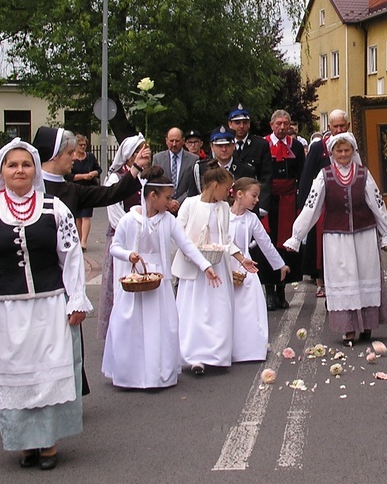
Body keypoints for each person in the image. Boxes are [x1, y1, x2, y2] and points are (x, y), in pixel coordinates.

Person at [0, 139, 91, 470]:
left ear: (35, 170)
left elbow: (70, 257)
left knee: (48, 374)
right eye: (12, 165)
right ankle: (22, 443)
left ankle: (47, 443)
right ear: (1, 171)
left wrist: (76, 297)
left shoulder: (53, 209)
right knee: (14, 374)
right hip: (5, 309)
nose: (20, 170)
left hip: (49, 306)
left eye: (26, 164)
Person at [32, 125, 151, 396]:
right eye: (70, 153)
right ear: (54, 155)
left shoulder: (71, 190)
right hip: (33, 278)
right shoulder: (30, 189)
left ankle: (64, 392)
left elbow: (110, 195)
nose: (75, 158)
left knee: (63, 340)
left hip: (61, 279)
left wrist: (134, 170)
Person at [102, 166, 215, 388]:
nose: (170, 202)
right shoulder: (129, 220)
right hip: (135, 279)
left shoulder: (167, 221)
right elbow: (115, 248)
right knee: (132, 326)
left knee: (158, 327)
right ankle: (131, 375)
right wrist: (129, 255)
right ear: (152, 196)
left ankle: (157, 373)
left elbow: (186, 245)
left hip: (159, 280)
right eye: (167, 197)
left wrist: (205, 265)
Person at [285, 132, 387, 346]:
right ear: (332, 153)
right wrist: (296, 237)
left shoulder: (363, 174)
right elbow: (311, 207)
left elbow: (377, 203)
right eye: (339, 150)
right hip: (336, 237)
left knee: (365, 274)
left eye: (347, 150)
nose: (343, 154)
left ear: (353, 152)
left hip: (364, 233)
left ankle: (368, 324)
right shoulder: (324, 175)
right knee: (343, 278)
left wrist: (386, 233)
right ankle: (348, 328)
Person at [172, 163, 257, 373]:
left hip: (218, 264)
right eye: (226, 188)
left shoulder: (223, 208)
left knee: (218, 309)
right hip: (195, 267)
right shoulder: (190, 204)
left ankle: (217, 354)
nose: (228, 193)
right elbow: (179, 234)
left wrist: (241, 257)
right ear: (214, 185)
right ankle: (193, 356)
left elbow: (226, 237)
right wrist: (196, 256)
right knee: (194, 310)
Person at [229, 177, 288, 362]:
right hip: (226, 264)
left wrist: (279, 264)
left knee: (250, 306)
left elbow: (265, 243)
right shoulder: (223, 215)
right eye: (253, 196)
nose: (256, 200)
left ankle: (251, 347)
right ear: (239, 194)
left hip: (246, 267)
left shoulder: (251, 218)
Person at [96, 134, 146, 339]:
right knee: (119, 283)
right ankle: (117, 330)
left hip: (140, 237)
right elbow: (114, 213)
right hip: (122, 238)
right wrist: (132, 228)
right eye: (140, 151)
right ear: (130, 156)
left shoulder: (143, 178)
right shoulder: (115, 179)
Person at [299, 109, 349, 298]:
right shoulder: (319, 147)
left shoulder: (353, 146)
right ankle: (321, 282)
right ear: (329, 127)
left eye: (341, 126)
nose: (338, 129)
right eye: (335, 126)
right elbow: (306, 176)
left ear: (348, 126)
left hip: (345, 203)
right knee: (320, 243)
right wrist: (303, 204)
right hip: (323, 203)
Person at [262, 109, 304, 310]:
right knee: (268, 244)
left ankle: (281, 291)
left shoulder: (295, 145)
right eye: (278, 123)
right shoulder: (263, 145)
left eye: (285, 124)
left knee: (286, 246)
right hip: (268, 202)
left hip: (289, 200)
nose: (281, 127)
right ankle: (269, 291)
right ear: (271, 125)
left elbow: (302, 175)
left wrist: (300, 202)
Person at [229, 103, 273, 216]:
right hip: (229, 202)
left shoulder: (260, 145)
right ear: (230, 124)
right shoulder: (225, 146)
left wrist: (263, 204)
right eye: (237, 123)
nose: (241, 126)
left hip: (252, 203)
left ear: (249, 124)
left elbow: (266, 176)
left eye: (245, 122)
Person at [189, 126, 256, 196]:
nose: (224, 149)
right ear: (212, 146)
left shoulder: (246, 170)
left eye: (227, 145)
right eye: (219, 146)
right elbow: (193, 197)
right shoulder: (201, 168)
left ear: (234, 146)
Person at [66, 134, 102, 250]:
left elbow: (98, 169)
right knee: (77, 217)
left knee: (86, 216)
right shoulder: (72, 158)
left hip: (88, 189)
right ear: (75, 146)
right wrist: (83, 176)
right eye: (80, 145)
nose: (83, 147)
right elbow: (68, 176)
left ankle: (83, 242)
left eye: (84, 145)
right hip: (75, 189)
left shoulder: (90, 157)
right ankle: (79, 239)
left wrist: (94, 174)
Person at [151, 127, 198, 215]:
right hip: (162, 209)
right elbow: (155, 184)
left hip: (186, 209)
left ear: (183, 141)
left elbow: (193, 186)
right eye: (171, 141)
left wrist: (178, 202)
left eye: (177, 141)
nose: (174, 144)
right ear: (166, 141)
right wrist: (168, 201)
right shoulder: (158, 159)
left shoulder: (193, 160)